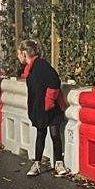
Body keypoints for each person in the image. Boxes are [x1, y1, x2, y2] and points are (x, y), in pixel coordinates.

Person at [18, 40, 69, 177]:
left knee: (54, 134)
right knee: (41, 134)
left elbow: (54, 81)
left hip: (50, 107)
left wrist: (49, 101)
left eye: (19, 53)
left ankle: (58, 163)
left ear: (24, 53)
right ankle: (37, 163)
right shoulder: (30, 68)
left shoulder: (40, 64)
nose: (18, 56)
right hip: (40, 107)